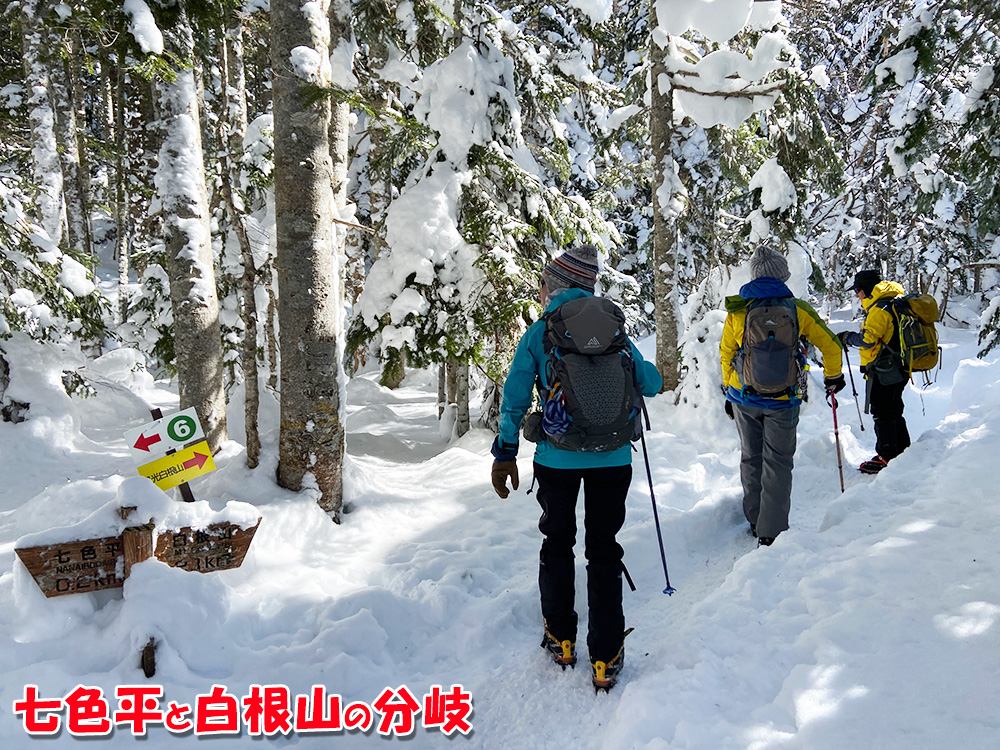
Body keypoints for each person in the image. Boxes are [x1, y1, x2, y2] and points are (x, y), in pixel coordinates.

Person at [490, 244, 662, 692]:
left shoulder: (541, 331)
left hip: (556, 459)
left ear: (556, 286)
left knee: (558, 541)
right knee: (604, 548)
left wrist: (506, 452)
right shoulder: (613, 328)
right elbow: (652, 383)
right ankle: (605, 657)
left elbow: (515, 396)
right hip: (613, 458)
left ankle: (561, 638)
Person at [720, 244, 845, 546]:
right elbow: (831, 345)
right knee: (778, 462)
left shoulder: (738, 310)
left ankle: (754, 518)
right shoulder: (797, 310)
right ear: (782, 277)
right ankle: (770, 531)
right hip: (784, 399)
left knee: (752, 458)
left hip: (744, 397)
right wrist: (833, 376)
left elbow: (726, 353)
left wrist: (728, 389)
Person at [838, 269, 911, 474]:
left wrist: (848, 338)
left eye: (858, 290)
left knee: (883, 412)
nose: (856, 295)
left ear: (867, 290)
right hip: (899, 366)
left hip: (885, 369)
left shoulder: (879, 309)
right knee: (894, 409)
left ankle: (886, 456)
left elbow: (868, 340)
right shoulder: (895, 302)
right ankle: (902, 450)